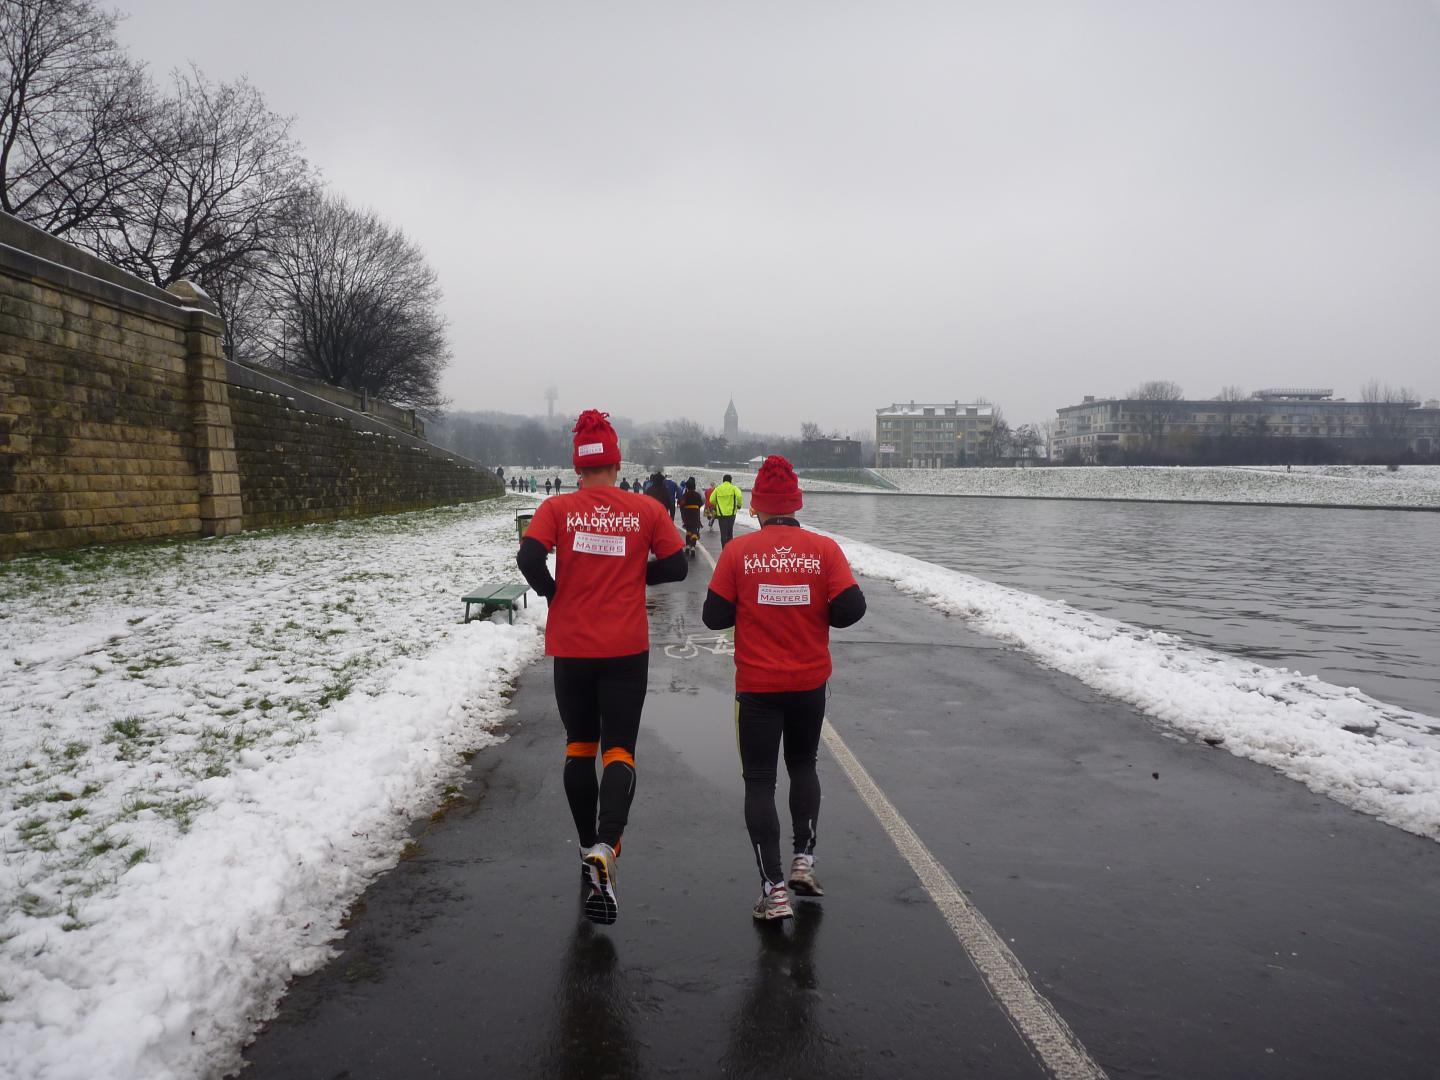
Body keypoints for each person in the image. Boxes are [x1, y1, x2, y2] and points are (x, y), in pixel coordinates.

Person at [517, 411, 688, 925]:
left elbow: (528, 558)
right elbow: (677, 565)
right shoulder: (646, 509)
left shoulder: (557, 508)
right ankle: (607, 847)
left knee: (579, 746)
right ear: (616, 463)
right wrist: (635, 573)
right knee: (618, 749)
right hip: (624, 648)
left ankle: (585, 846)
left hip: (572, 647)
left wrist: (554, 593)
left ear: (577, 467)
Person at [701, 456, 866, 921]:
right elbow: (852, 607)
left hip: (758, 686)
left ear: (755, 506)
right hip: (808, 682)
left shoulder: (738, 553)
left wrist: (751, 602)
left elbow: (713, 616)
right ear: (797, 503)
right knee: (803, 764)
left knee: (759, 780)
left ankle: (773, 891)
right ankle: (804, 861)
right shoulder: (823, 549)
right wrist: (815, 610)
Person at [709, 473, 744, 548]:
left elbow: (711, 500)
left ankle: (724, 550)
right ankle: (730, 550)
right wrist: (739, 505)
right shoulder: (734, 488)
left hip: (721, 515)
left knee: (723, 534)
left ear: (723, 480)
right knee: (730, 532)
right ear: (730, 481)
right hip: (731, 514)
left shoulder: (718, 488)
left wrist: (718, 504)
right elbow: (739, 496)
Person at [678, 478, 705, 556]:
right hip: (695, 513)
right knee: (694, 530)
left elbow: (681, 503)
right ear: (694, 486)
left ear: (687, 487)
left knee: (688, 530)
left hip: (687, 514)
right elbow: (701, 503)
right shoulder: (697, 495)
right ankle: (693, 546)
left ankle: (687, 546)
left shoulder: (685, 495)